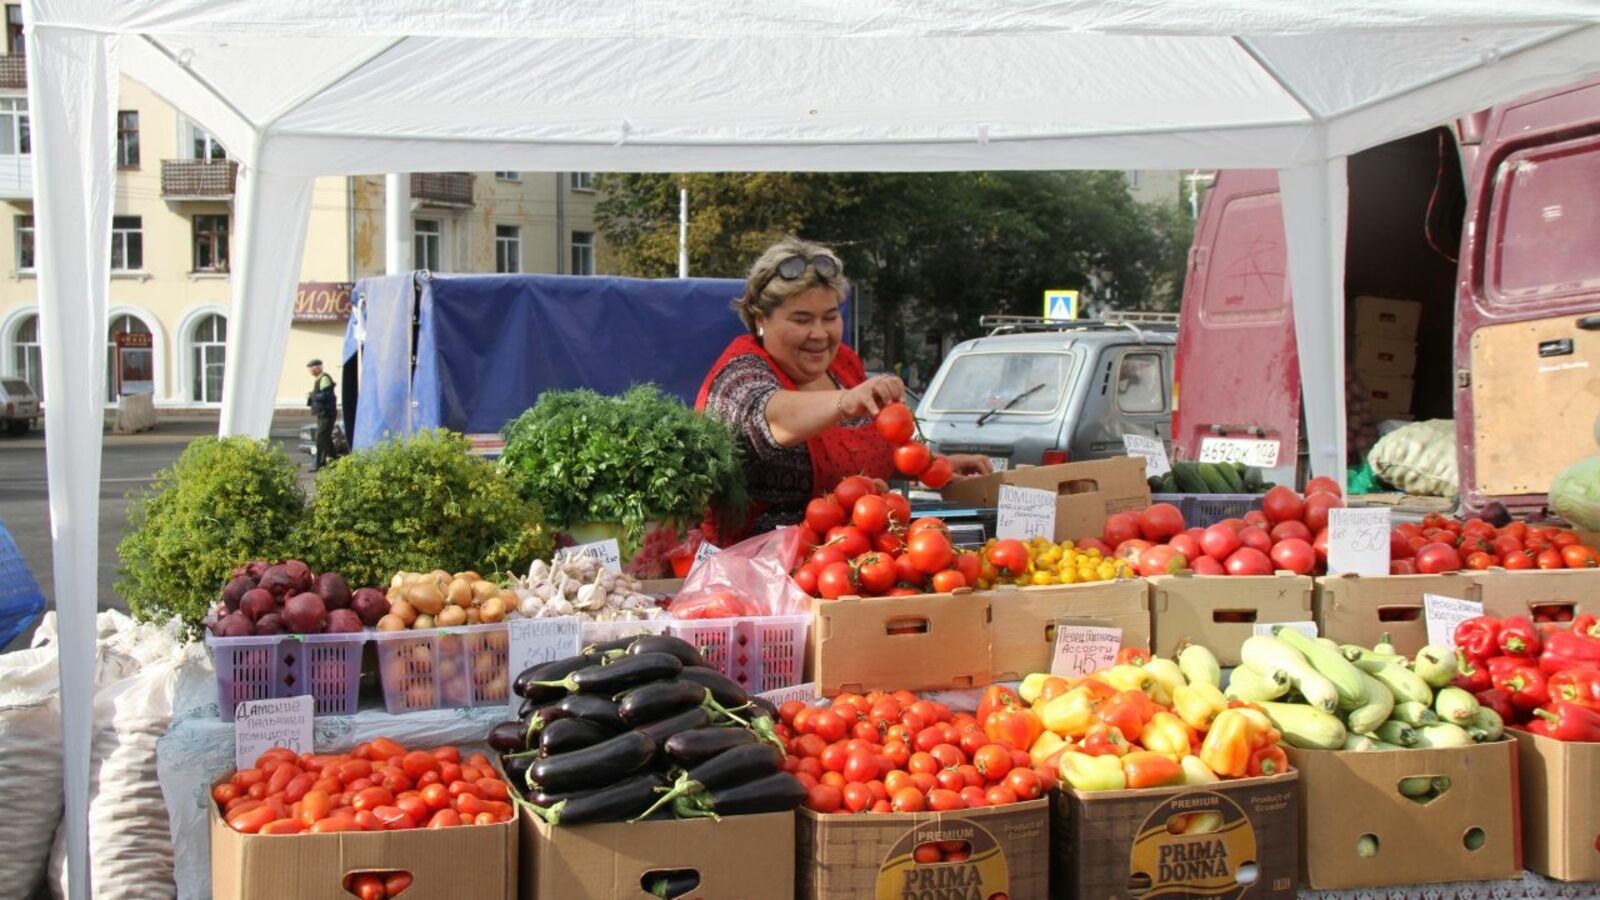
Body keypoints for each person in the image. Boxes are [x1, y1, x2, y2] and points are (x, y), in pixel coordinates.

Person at [696, 236, 991, 541]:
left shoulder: (844, 365)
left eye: (830, 317)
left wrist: (930, 465)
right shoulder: (739, 375)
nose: (819, 333)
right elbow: (773, 418)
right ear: (761, 319)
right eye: (802, 320)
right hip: (756, 561)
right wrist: (847, 402)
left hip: (848, 554)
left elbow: (863, 451)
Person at [306, 359, 337, 470]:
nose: (310, 371)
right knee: (326, 437)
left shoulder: (324, 378)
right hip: (322, 413)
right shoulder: (319, 379)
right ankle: (334, 459)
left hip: (326, 413)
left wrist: (313, 396)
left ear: (317, 369)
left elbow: (326, 395)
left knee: (320, 438)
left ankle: (319, 464)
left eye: (311, 369)